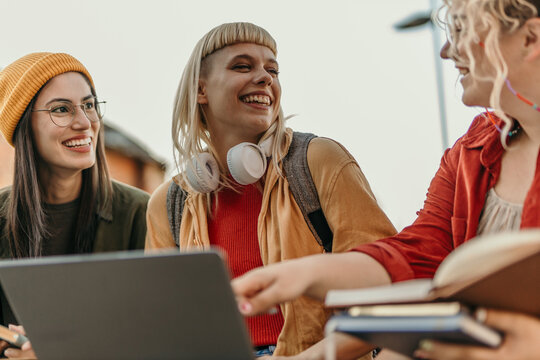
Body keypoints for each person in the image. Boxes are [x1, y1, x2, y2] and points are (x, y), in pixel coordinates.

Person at [232, 0, 540, 359]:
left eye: (461, 31)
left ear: (530, 37)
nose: (445, 50)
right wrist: (301, 274)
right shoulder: (470, 153)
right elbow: (417, 257)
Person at [144, 22, 396, 357]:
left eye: (272, 69)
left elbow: (386, 286)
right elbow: (162, 322)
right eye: (243, 66)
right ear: (201, 90)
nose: (266, 78)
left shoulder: (318, 160)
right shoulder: (169, 203)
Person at [0, 52, 150, 358]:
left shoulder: (141, 213)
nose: (84, 123)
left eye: (89, 105)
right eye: (61, 110)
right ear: (24, 126)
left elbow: (157, 331)